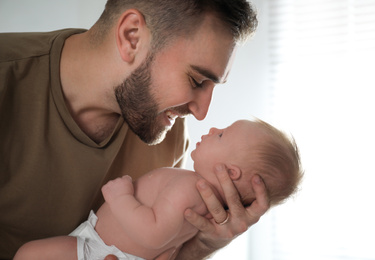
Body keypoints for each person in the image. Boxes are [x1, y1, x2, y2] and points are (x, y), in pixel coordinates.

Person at [0, 1, 271, 259]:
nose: (201, 113)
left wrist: (202, 245)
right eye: (196, 80)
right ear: (132, 37)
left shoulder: (169, 132)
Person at [14, 118, 303, 260]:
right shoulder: (202, 202)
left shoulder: (191, 189)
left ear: (230, 172)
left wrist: (121, 197)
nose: (213, 129)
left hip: (98, 251)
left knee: (28, 255)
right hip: (103, 248)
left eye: (222, 134)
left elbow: (153, 233)